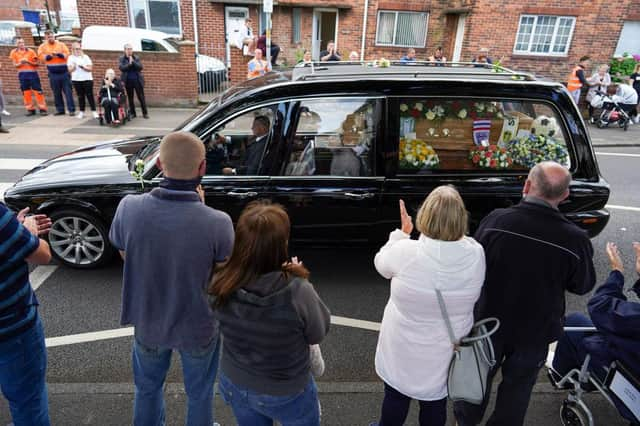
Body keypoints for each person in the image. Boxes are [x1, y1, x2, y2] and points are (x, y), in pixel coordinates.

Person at [454, 161, 596, 426]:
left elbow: (474, 262)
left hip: (487, 323)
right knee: (517, 392)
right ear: (564, 195)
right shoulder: (575, 239)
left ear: (527, 186)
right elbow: (582, 285)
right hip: (536, 331)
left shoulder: (497, 220)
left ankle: (466, 422)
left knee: (474, 383)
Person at [109, 131, 234, 425]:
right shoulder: (218, 222)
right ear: (202, 168)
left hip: (148, 319)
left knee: (147, 389)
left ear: (161, 164)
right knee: (200, 393)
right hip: (199, 324)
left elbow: (126, 254)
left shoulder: (129, 207)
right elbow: (223, 273)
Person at [370, 187, 485, 426]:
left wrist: (401, 234)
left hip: (402, 346)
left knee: (395, 396)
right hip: (445, 348)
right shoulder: (475, 254)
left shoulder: (406, 252)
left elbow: (381, 263)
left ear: (426, 215)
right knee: (435, 402)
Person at [209, 201, 330, 426]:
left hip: (236, 381)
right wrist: (299, 278)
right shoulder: (298, 290)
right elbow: (317, 332)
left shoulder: (220, 281)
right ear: (281, 245)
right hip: (287, 390)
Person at [551, 242, 640, 424]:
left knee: (576, 323)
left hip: (627, 379)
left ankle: (562, 377)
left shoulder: (633, 319)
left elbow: (600, 307)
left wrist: (617, 272)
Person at [0, 203, 52, 425]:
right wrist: (27, 230)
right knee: (28, 401)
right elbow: (42, 255)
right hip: (12, 327)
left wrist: (13, 229)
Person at [37, 30, 75, 116]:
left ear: (54, 36)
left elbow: (67, 54)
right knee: (56, 92)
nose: (50, 38)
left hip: (64, 72)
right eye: (48, 37)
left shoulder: (61, 45)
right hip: (53, 73)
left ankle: (71, 110)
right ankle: (60, 110)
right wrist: (49, 56)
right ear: (45, 37)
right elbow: (41, 57)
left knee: (68, 92)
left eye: (51, 36)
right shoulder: (42, 46)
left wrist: (59, 54)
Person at [9, 37, 47, 116]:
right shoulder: (13, 52)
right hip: (22, 76)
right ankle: (30, 109)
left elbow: (37, 64)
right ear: (16, 44)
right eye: (19, 43)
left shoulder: (31, 51)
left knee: (38, 92)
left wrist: (28, 61)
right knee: (26, 93)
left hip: (33, 74)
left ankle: (42, 109)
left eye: (22, 42)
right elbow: (15, 65)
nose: (21, 44)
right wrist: (21, 63)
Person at [67, 42, 98, 119]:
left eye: (79, 48)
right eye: (76, 49)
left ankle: (94, 111)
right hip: (76, 80)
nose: (77, 50)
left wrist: (83, 67)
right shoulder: (71, 58)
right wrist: (74, 66)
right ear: (72, 49)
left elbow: (90, 69)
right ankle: (81, 112)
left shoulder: (85, 57)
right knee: (80, 96)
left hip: (87, 79)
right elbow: (69, 70)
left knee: (90, 95)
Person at [119, 43, 148, 119]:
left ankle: (145, 113)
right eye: (128, 49)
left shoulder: (136, 57)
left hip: (137, 81)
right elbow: (122, 68)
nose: (129, 51)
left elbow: (140, 67)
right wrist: (129, 64)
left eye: (131, 49)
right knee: (130, 98)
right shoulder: (122, 59)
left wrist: (133, 62)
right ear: (124, 50)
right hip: (128, 81)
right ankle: (133, 113)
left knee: (141, 97)